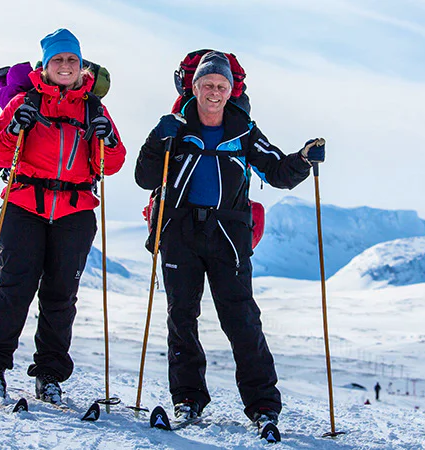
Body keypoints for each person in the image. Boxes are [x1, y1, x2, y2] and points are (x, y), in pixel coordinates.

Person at [134, 50, 326, 425]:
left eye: (221, 86)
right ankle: (187, 399)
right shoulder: (175, 127)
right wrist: (158, 139)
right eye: (207, 85)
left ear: (231, 90)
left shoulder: (244, 131)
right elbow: (145, 177)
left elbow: (277, 172)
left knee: (242, 319)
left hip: (227, 235)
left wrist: (303, 159)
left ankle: (263, 405)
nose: (214, 92)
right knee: (182, 317)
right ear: (194, 87)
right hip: (180, 232)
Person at [0, 28, 126, 403]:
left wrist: (107, 139)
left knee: (61, 296)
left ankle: (50, 375)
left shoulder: (94, 108)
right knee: (14, 289)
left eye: (71, 60)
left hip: (75, 213)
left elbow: (114, 164)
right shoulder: (24, 102)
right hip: (24, 205)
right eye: (58, 60)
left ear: (80, 66)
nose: (65, 66)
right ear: (44, 66)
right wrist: (13, 128)